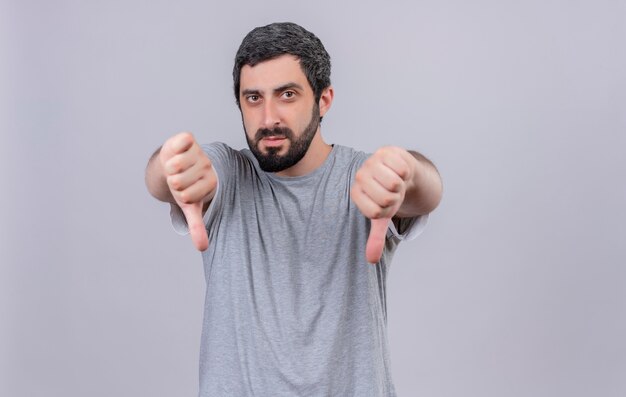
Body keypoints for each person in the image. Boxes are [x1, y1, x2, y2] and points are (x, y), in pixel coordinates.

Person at [145, 22, 442, 397]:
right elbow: (164, 178)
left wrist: (410, 173)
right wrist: (169, 168)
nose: (268, 118)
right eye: (253, 98)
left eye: (287, 94)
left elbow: (424, 191)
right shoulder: (227, 172)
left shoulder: (365, 178)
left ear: (324, 100)